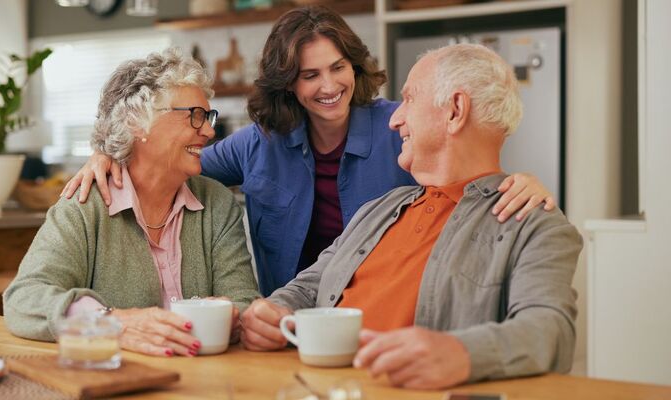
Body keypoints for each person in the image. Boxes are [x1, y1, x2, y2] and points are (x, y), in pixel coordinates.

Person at [61, 6, 556, 297]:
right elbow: (172, 163)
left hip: (386, 313)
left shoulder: (397, 126)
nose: (329, 86)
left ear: (355, 68)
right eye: (309, 74)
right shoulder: (261, 141)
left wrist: (519, 182)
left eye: (338, 68)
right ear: (288, 84)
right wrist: (111, 157)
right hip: (292, 316)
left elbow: (466, 172)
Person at [240, 43, 582, 389]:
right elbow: (307, 288)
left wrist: (462, 353)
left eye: (409, 99)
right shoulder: (379, 209)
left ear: (455, 110)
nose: (394, 118)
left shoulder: (533, 224)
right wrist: (272, 313)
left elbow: (550, 330)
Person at [4, 48, 260, 357]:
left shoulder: (217, 203)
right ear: (137, 122)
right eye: (195, 115)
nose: (207, 130)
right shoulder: (86, 204)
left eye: (208, 117)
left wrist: (232, 315)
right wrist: (111, 322)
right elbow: (25, 298)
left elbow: (243, 301)